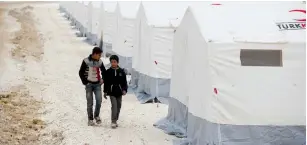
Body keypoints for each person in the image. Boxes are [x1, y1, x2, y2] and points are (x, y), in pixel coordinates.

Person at [79, 47, 106, 126]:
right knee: (89, 102)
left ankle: (96, 115)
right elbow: (81, 72)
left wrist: (103, 79)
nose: (100, 56)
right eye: (99, 55)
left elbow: (104, 72)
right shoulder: (86, 61)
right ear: (94, 54)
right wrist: (85, 82)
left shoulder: (100, 62)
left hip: (97, 84)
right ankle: (90, 119)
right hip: (89, 85)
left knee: (99, 100)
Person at [103, 55, 127, 128]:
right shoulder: (108, 72)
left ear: (117, 62)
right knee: (114, 105)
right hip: (111, 91)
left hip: (119, 92)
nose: (113, 63)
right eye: (112, 62)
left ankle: (116, 119)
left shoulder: (121, 71)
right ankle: (113, 121)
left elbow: (124, 82)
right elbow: (106, 83)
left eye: (114, 62)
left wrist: (124, 90)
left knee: (119, 106)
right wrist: (105, 92)